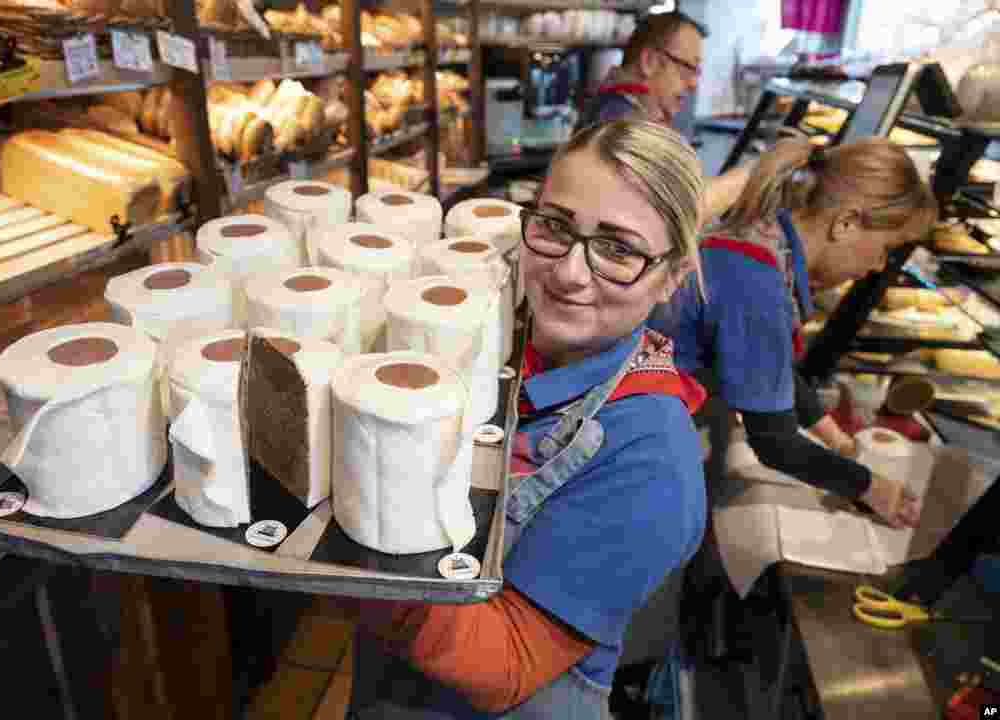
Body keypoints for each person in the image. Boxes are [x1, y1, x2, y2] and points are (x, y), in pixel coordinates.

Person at [341, 120, 709, 718]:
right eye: (556, 226)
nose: (568, 272)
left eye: (618, 249)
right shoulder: (505, 342)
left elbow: (506, 662)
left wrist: (354, 539)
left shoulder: (650, 460)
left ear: (671, 277)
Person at [651, 137, 938, 527]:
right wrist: (871, 487)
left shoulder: (763, 238)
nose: (877, 265)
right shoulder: (756, 284)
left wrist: (834, 437)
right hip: (637, 452)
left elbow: (772, 364)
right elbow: (775, 443)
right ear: (846, 224)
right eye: (886, 247)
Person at [576, 10, 751, 226]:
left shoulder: (622, 106)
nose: (693, 83)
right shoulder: (620, 121)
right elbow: (679, 212)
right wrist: (756, 173)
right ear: (650, 61)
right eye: (688, 68)